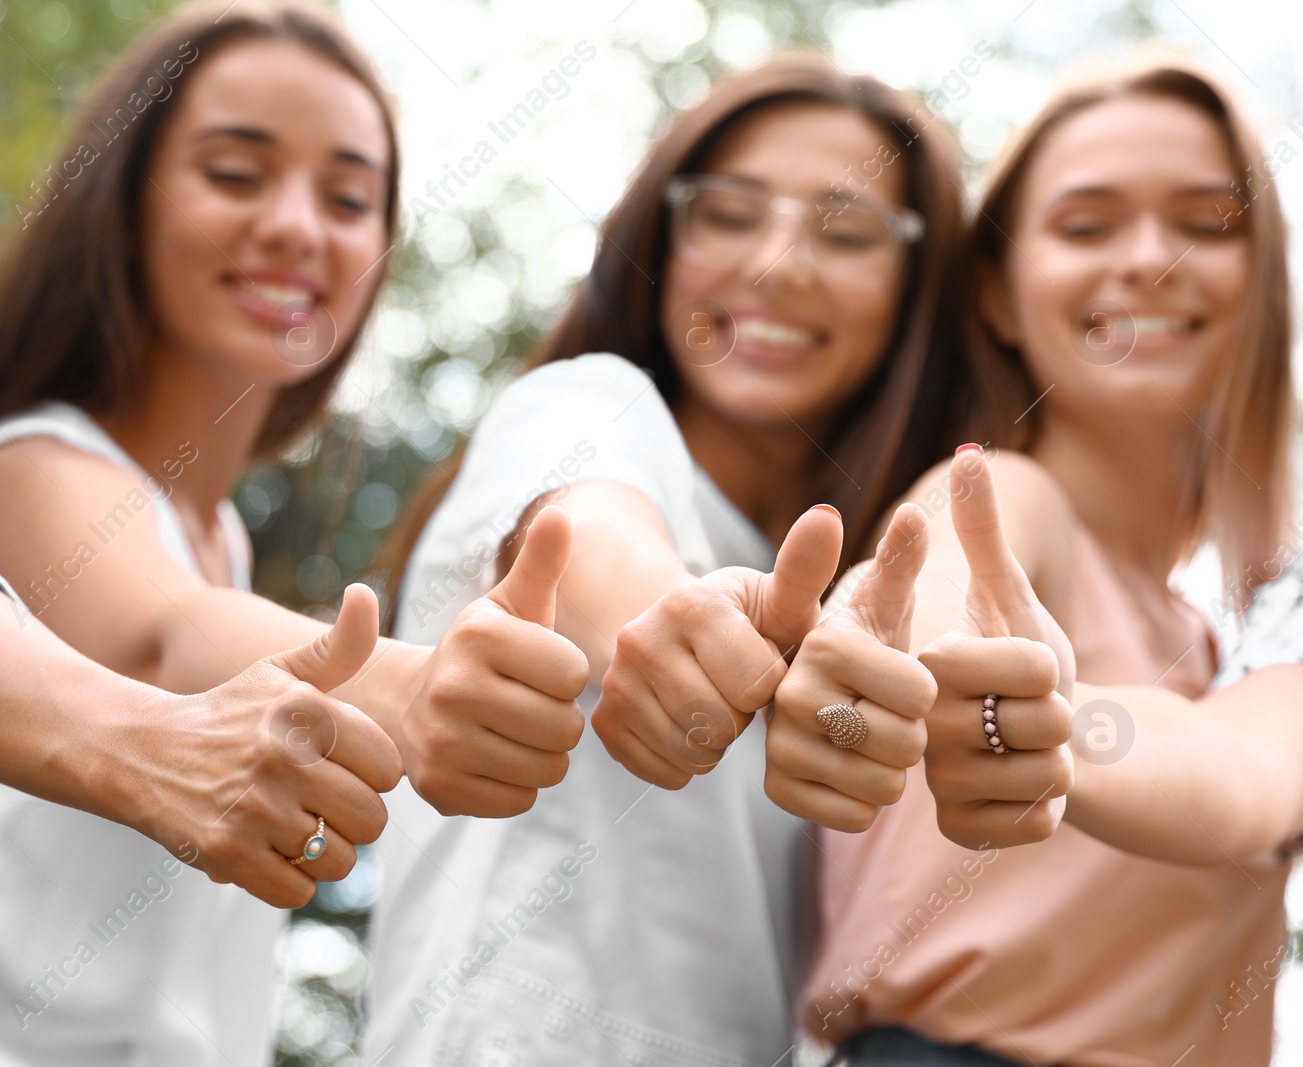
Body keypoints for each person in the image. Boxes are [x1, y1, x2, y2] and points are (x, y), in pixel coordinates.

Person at [0, 3, 588, 1065]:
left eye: (349, 197)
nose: (296, 227)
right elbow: (172, 635)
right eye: (234, 173)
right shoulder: (31, 474)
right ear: (119, 205)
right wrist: (410, 690)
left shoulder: (210, 531)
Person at [365, 54, 963, 1066]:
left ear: (917, 291)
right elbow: (594, 533)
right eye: (728, 213)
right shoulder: (587, 404)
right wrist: (671, 621)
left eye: (847, 230)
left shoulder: (891, 589)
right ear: (662, 240)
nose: (777, 263)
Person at [766, 65, 1295, 1065]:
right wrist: (885, 667)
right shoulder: (1005, 497)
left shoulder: (1252, 645)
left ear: (1261, 283)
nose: (1148, 258)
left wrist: (1056, 722)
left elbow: (1244, 780)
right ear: (998, 298)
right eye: (1085, 226)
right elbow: (922, 617)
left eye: (1206, 221)